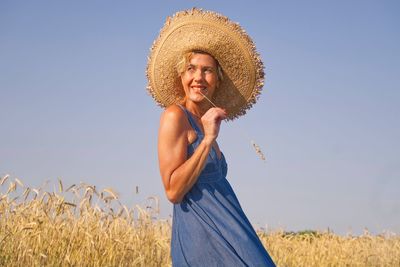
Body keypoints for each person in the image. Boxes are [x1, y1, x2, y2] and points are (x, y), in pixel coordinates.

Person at [146, 8, 276, 266]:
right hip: (201, 237)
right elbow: (173, 191)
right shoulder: (175, 116)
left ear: (217, 79)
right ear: (181, 75)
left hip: (234, 229)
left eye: (207, 71)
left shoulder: (204, 122)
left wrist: (209, 135)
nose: (198, 77)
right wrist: (206, 141)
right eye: (191, 69)